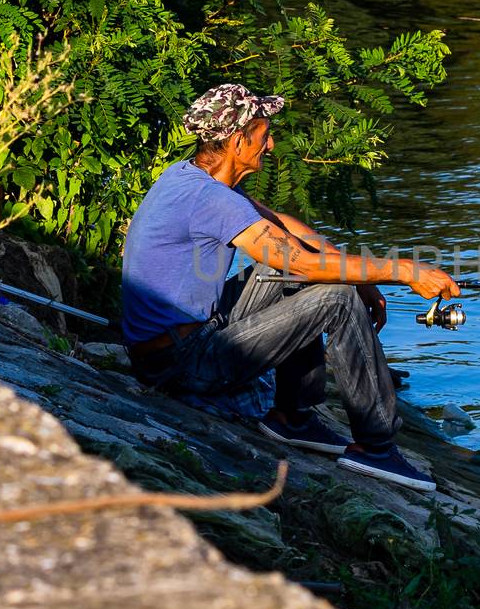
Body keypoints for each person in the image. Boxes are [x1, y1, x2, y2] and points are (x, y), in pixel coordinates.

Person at [122, 84, 460, 491]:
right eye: (265, 135)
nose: (272, 144)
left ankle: (292, 417)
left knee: (312, 276)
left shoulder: (193, 177)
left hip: (187, 338)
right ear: (236, 140)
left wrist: (365, 276)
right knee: (334, 295)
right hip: (181, 363)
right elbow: (298, 260)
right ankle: (376, 446)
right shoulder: (211, 200)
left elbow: (280, 225)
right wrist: (402, 271)